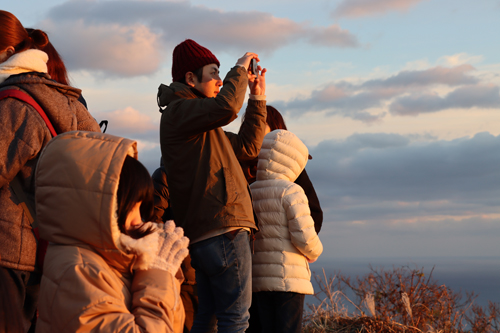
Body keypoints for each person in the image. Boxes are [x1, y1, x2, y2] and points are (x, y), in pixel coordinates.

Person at [0, 10, 101, 332]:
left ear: (5, 53)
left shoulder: (15, 102)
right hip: (51, 248)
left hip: (7, 247)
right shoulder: (67, 100)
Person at [157, 39, 267, 332]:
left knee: (208, 317)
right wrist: (239, 69)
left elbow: (247, 147)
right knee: (235, 319)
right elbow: (227, 106)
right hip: (223, 230)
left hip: (208, 234)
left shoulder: (199, 126)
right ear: (190, 79)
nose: (220, 81)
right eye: (214, 73)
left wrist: (256, 99)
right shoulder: (179, 112)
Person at [34, 131, 188, 332]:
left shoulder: (107, 262)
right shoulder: (79, 272)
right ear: (102, 205)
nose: (140, 221)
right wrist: (158, 274)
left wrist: (161, 273)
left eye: (143, 210)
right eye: (133, 206)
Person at [250, 129, 324, 333]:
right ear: (292, 162)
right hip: (288, 279)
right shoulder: (292, 191)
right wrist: (315, 252)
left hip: (258, 278)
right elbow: (304, 235)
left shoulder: (251, 190)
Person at [240, 105, 323, 233]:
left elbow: (314, 213)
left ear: (275, 129)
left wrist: (298, 247)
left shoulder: (291, 166)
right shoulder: (236, 161)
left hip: (282, 248)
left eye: (261, 124)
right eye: (251, 124)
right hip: (247, 246)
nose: (254, 129)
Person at [151, 163, 201, 333]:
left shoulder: (199, 171)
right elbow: (155, 223)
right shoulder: (165, 175)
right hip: (185, 271)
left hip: (200, 269)